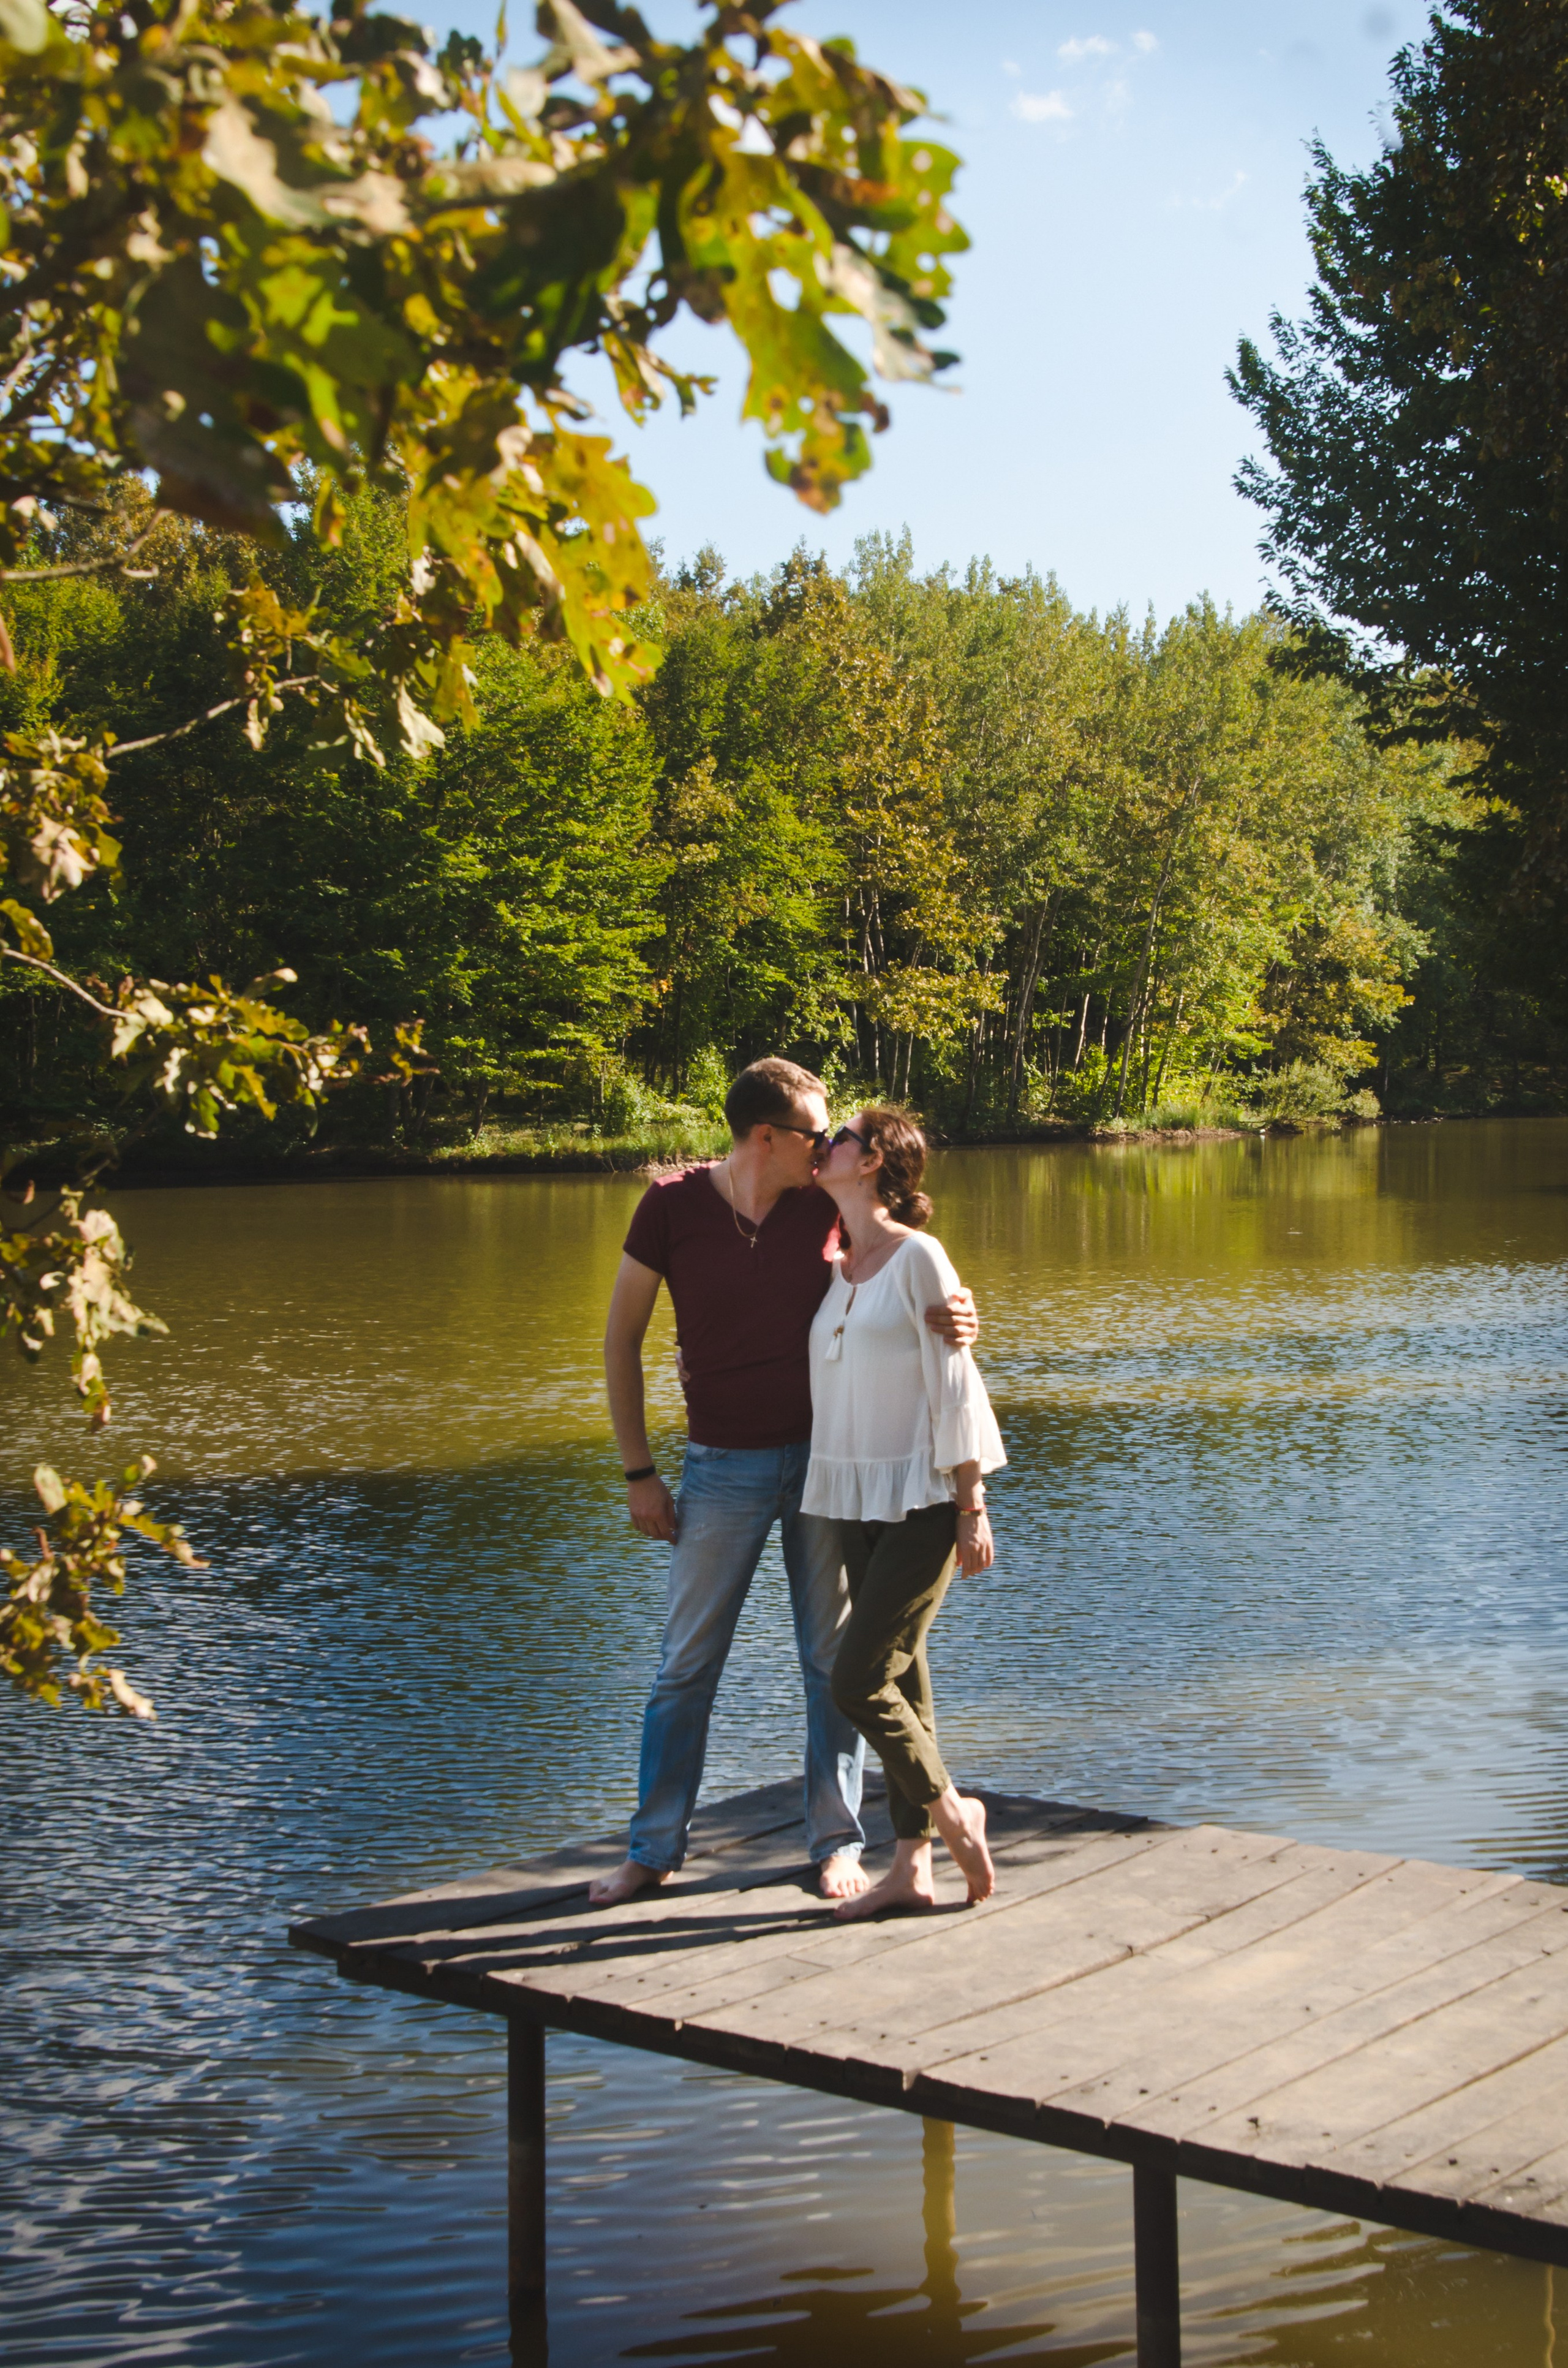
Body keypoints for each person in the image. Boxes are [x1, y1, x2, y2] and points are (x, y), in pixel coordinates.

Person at [592, 1058, 979, 1908]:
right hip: (718, 1467)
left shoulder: (822, 1202)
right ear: (767, 1137)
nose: (829, 1143)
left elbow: (896, 1261)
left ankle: (835, 1841)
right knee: (685, 1668)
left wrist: (958, 1306)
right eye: (817, 1130)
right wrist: (639, 1472)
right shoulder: (670, 1206)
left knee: (829, 1662)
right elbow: (621, 1340)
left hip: (822, 1463)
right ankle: (652, 1849)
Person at [803, 1105, 1006, 1923]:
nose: (825, 1147)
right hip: (852, 1493)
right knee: (902, 1677)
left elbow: (956, 1382)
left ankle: (954, 1812)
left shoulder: (919, 1255)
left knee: (857, 1678)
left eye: (839, 1138)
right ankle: (911, 1869)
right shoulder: (836, 1259)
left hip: (923, 1495)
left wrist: (971, 1504)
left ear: (872, 1160)